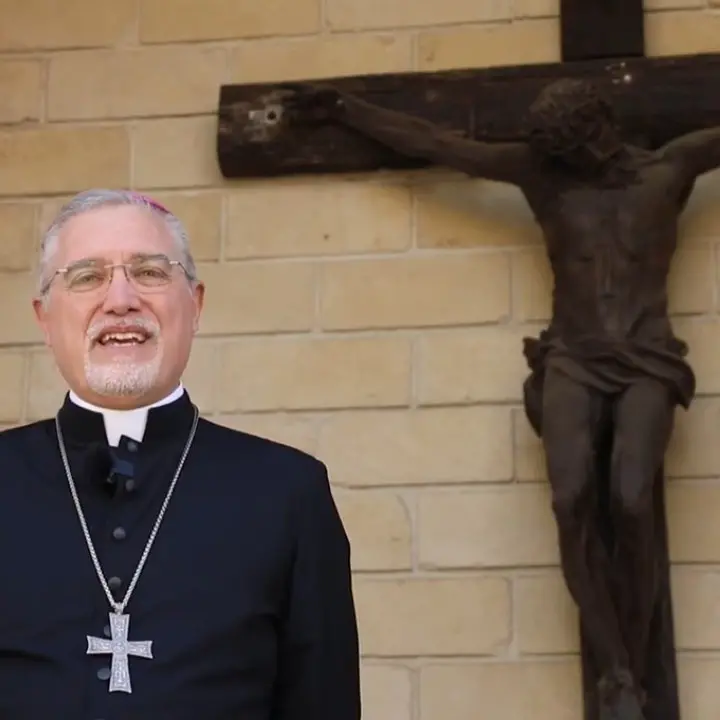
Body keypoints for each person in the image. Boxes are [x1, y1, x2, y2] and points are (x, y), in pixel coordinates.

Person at [281, 79, 720, 720]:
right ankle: (617, 672)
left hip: (647, 358)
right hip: (572, 355)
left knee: (630, 498)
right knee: (571, 500)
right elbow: (439, 142)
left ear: (606, 121)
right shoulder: (546, 179)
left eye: (588, 139)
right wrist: (346, 109)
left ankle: (631, 648)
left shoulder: (671, 167)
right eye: (569, 149)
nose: (585, 155)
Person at [0, 189, 361, 720]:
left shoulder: (287, 491)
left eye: (149, 272)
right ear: (45, 319)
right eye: (86, 277)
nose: (120, 299)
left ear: (195, 305)